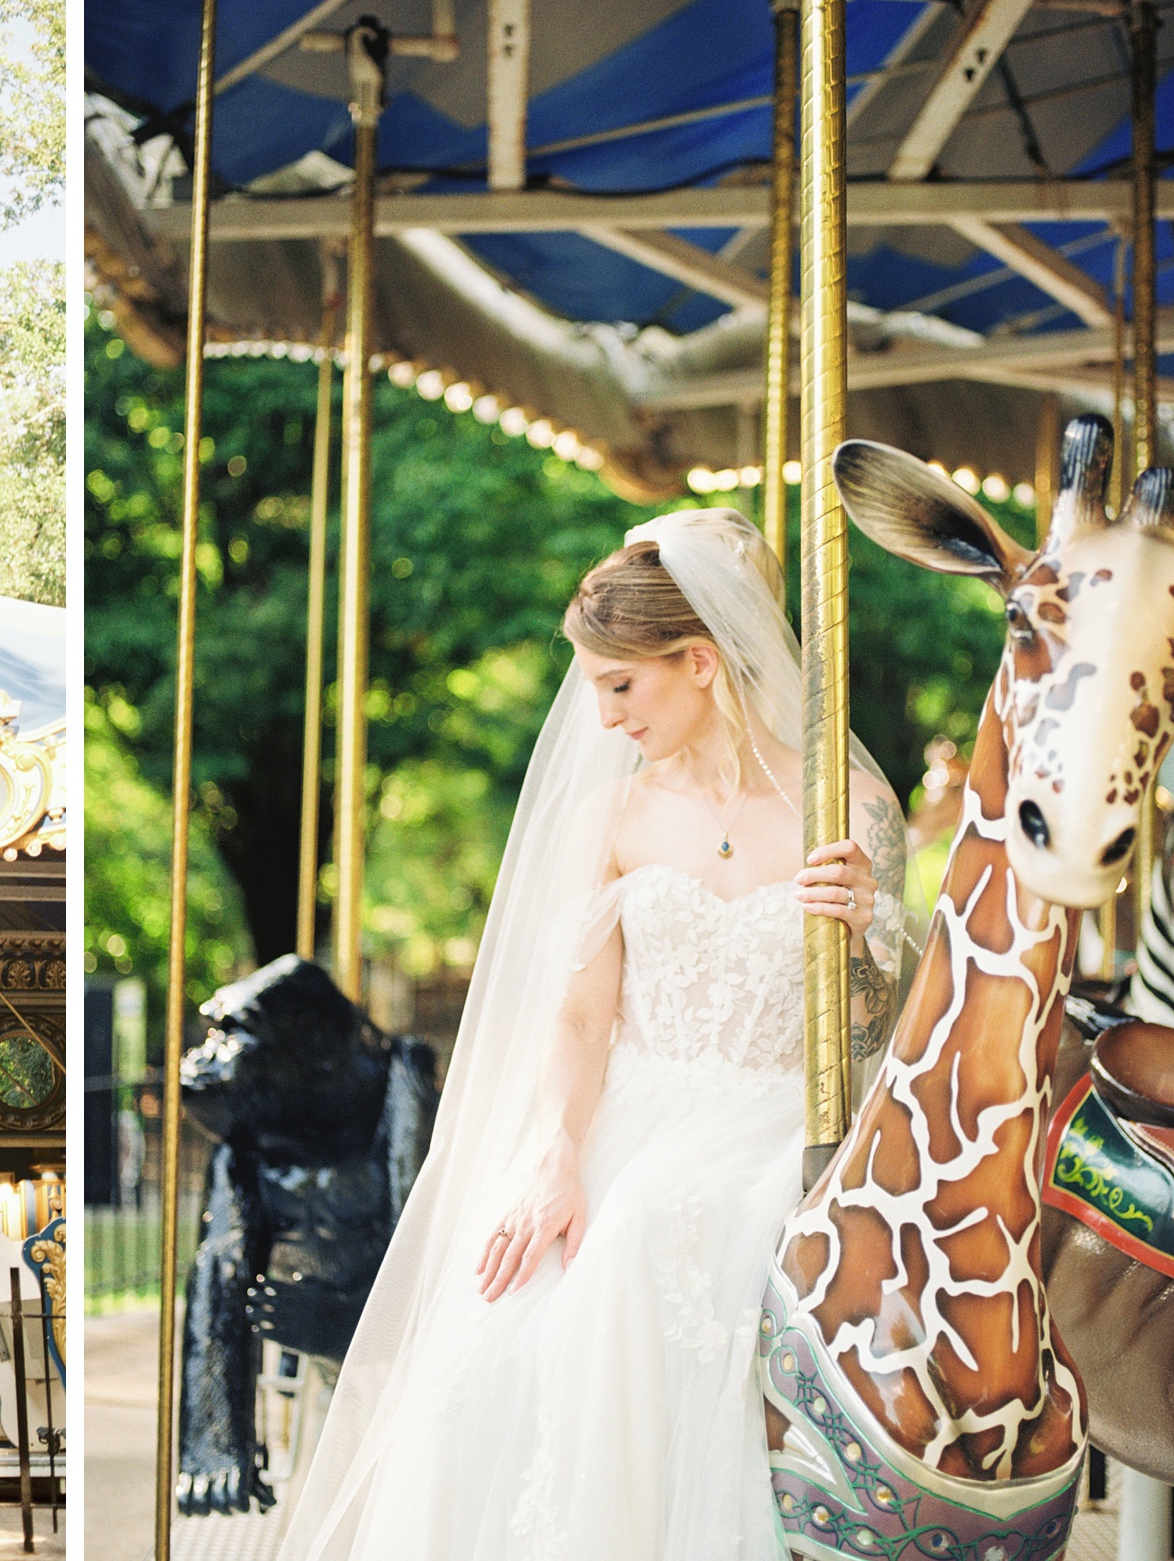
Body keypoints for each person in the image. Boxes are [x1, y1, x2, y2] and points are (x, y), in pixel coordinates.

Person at [276, 507, 913, 1561]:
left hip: (779, 1122)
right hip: (632, 1113)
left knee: (643, 1237)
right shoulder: (615, 817)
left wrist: (861, 929)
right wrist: (556, 1154)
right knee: (506, 1317)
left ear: (700, 660)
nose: (604, 715)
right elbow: (577, 1015)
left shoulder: (846, 805)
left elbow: (869, 1030)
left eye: (621, 684)